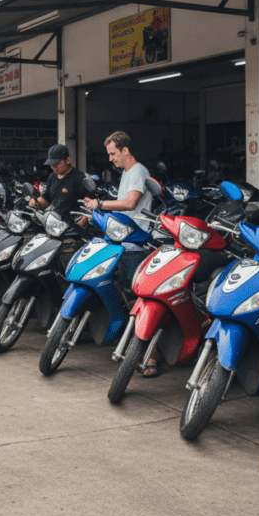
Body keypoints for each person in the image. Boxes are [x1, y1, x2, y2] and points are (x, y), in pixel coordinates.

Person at [83, 131, 157, 376]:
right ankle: (129, 341)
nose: (110, 159)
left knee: (138, 301)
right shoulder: (126, 173)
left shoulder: (138, 172)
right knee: (125, 295)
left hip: (134, 245)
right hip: (122, 242)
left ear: (125, 150)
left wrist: (100, 204)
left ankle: (151, 356)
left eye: (113, 153)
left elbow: (130, 203)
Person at [29, 143, 92, 225]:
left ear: (68, 160)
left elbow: (89, 203)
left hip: (72, 223)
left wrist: (81, 222)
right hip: (54, 221)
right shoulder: (52, 177)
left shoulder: (79, 178)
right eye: (51, 164)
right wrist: (36, 202)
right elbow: (47, 197)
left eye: (56, 163)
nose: (53, 167)